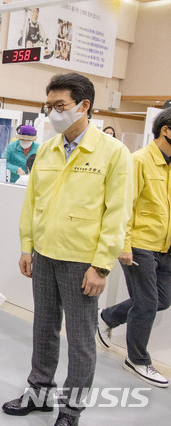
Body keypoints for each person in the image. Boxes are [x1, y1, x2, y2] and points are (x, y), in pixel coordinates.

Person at [3, 73, 133, 426]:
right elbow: (32, 203)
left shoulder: (113, 154)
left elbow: (117, 214)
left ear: (84, 105)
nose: (53, 113)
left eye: (60, 106)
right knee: (43, 329)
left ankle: (71, 409)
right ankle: (39, 391)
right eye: (50, 107)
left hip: (82, 263)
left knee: (80, 341)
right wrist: (27, 247)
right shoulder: (47, 149)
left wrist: (101, 266)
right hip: (44, 256)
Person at [97, 108, 171, 388]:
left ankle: (107, 316)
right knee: (148, 303)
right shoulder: (139, 161)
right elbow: (123, 205)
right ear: (166, 130)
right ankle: (137, 359)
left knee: (161, 300)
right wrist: (124, 244)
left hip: (166, 246)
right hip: (140, 244)